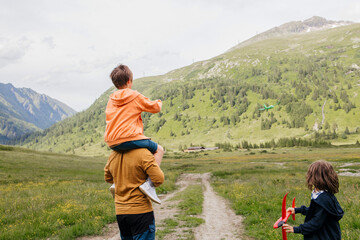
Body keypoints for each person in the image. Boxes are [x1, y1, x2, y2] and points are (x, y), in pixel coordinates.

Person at [104, 64, 164, 204]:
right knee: (159, 150)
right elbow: (154, 108)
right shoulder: (134, 95)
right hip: (130, 138)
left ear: (115, 83)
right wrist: (159, 102)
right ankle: (149, 185)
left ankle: (116, 184)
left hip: (112, 142)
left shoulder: (111, 99)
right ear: (130, 80)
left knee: (121, 156)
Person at [104, 149, 164, 240]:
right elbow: (158, 179)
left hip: (121, 212)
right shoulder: (143, 153)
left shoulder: (114, 154)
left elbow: (108, 178)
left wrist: (123, 180)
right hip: (141, 212)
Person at [283, 160, 344, 240]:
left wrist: (297, 229)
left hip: (325, 236)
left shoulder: (324, 199)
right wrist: (298, 210)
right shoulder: (320, 193)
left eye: (310, 174)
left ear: (316, 177)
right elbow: (315, 211)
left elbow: (316, 222)